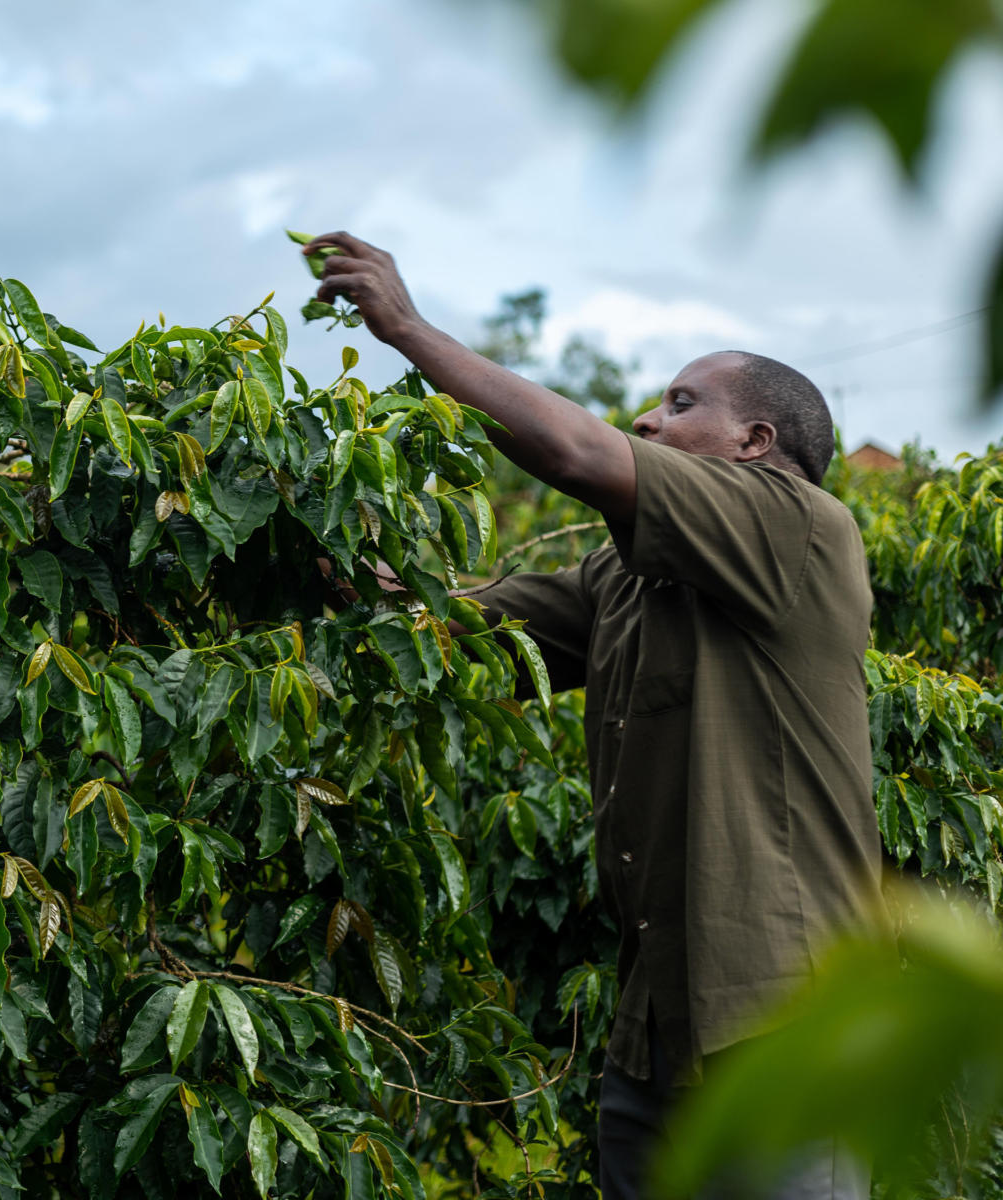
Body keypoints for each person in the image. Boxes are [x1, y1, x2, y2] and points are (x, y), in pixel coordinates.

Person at [303, 233, 878, 1200]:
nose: (647, 421)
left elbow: (573, 449)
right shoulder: (622, 576)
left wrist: (404, 329)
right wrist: (277, 519)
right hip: (657, 1031)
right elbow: (447, 630)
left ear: (757, 446)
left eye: (681, 402)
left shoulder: (800, 527)